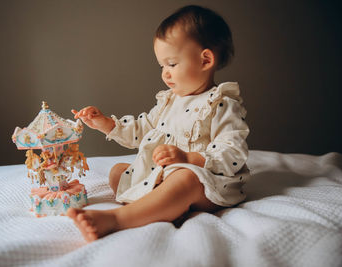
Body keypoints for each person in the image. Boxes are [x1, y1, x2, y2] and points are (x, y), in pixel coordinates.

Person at [67, 5, 250, 243]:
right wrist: (106, 124)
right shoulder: (168, 101)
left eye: (172, 64)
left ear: (205, 59)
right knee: (119, 172)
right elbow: (143, 130)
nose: (165, 73)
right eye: (162, 66)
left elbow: (234, 152)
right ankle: (161, 206)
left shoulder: (221, 103)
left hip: (208, 182)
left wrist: (189, 159)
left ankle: (117, 219)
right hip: (164, 176)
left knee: (185, 178)